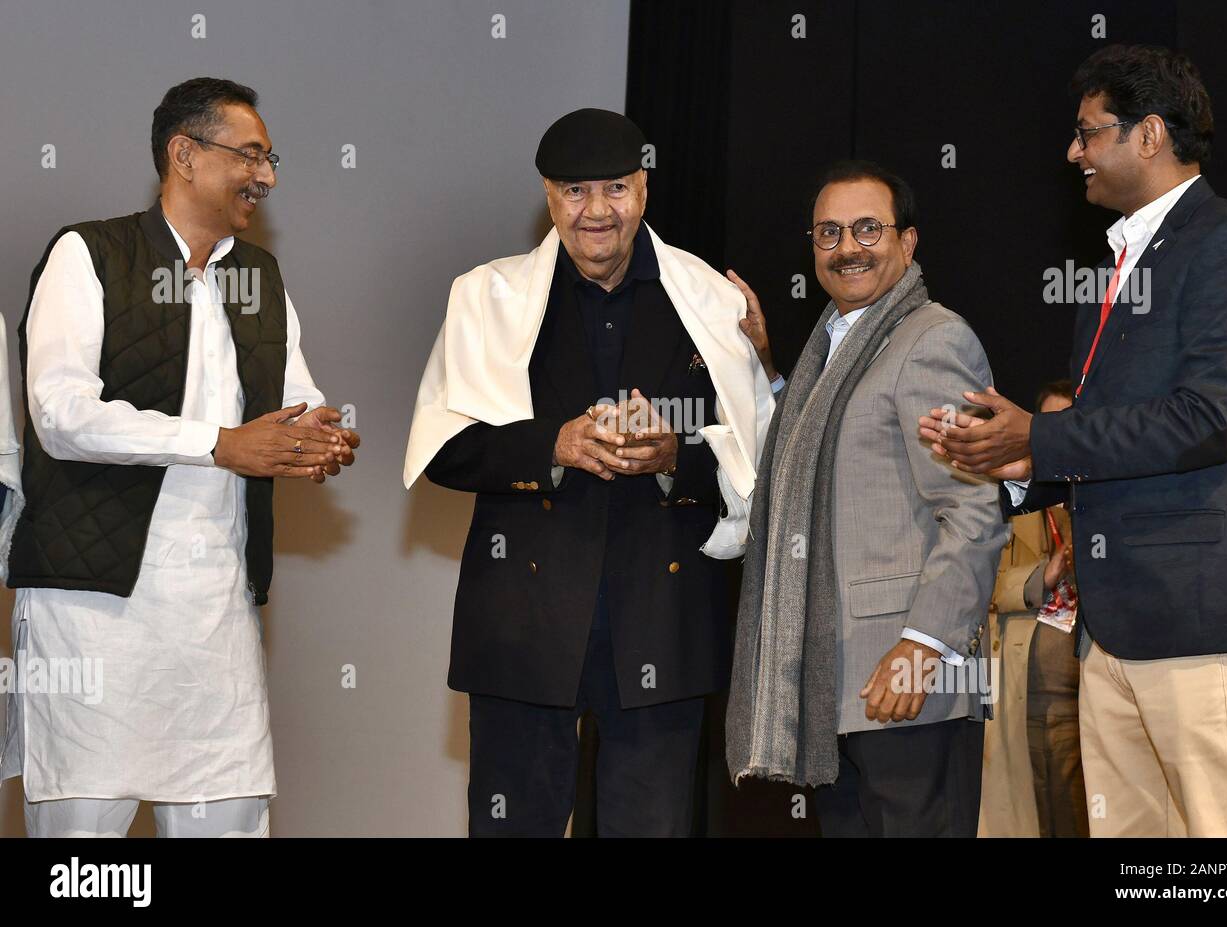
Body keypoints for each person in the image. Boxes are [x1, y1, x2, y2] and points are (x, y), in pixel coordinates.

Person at [921, 45, 1227, 837]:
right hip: (1110, 627)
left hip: (1198, 619)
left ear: (1150, 135)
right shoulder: (1116, 266)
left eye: (1089, 133)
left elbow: (1217, 416)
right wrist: (1019, 461)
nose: (1074, 152)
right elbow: (1108, 443)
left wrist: (1047, 434)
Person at [0, 77, 359, 838]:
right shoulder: (89, 253)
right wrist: (222, 444)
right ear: (184, 155)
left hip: (215, 608)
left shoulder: (258, 278)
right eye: (250, 155)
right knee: (85, 850)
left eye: (271, 159)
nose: (266, 176)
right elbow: (61, 414)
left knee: (227, 817)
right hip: (92, 608)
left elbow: (294, 397)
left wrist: (316, 437)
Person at [403, 108, 772, 836]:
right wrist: (555, 445)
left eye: (615, 189)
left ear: (643, 190)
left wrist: (674, 458)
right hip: (522, 626)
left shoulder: (710, 300)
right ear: (548, 197)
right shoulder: (486, 297)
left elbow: (757, 459)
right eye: (575, 191)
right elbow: (444, 449)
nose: (596, 212)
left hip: (663, 625)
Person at [727, 161, 1007, 836]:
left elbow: (974, 509)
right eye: (829, 232)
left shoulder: (933, 338)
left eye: (867, 228)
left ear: (907, 243)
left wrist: (923, 643)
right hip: (843, 688)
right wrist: (764, 370)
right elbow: (813, 468)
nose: (847, 246)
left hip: (915, 682)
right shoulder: (831, 349)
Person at [979, 379, 1088, 837]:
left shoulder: (1100, 503)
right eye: (1049, 425)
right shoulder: (1007, 500)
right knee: (1028, 821)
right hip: (1020, 706)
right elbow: (975, 580)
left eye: (1070, 423)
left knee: (1088, 819)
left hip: (1090, 707)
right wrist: (1038, 577)